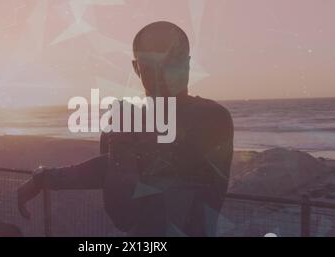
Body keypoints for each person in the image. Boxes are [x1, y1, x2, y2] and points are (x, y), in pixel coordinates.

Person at [17, 21, 233, 237]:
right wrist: (46, 178)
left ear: (187, 64)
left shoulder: (211, 118)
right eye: (151, 67)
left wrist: (121, 138)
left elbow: (124, 212)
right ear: (136, 68)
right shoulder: (131, 122)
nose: (162, 76)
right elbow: (114, 169)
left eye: (170, 64)